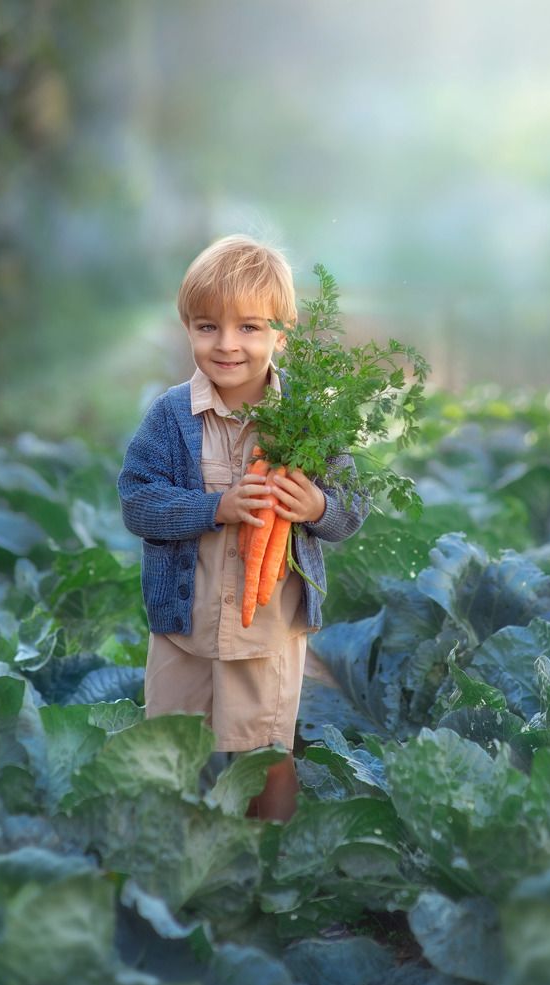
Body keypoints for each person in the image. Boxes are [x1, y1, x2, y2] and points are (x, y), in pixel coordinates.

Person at [117, 234, 367, 821]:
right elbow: (138, 503)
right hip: (184, 625)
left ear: (282, 334)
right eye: (207, 327)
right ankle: (169, 853)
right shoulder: (170, 416)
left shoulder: (308, 417)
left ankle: (268, 874)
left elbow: (352, 507)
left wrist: (314, 508)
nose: (227, 344)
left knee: (266, 750)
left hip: (268, 629)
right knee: (169, 749)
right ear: (187, 330)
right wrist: (215, 509)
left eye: (250, 328)